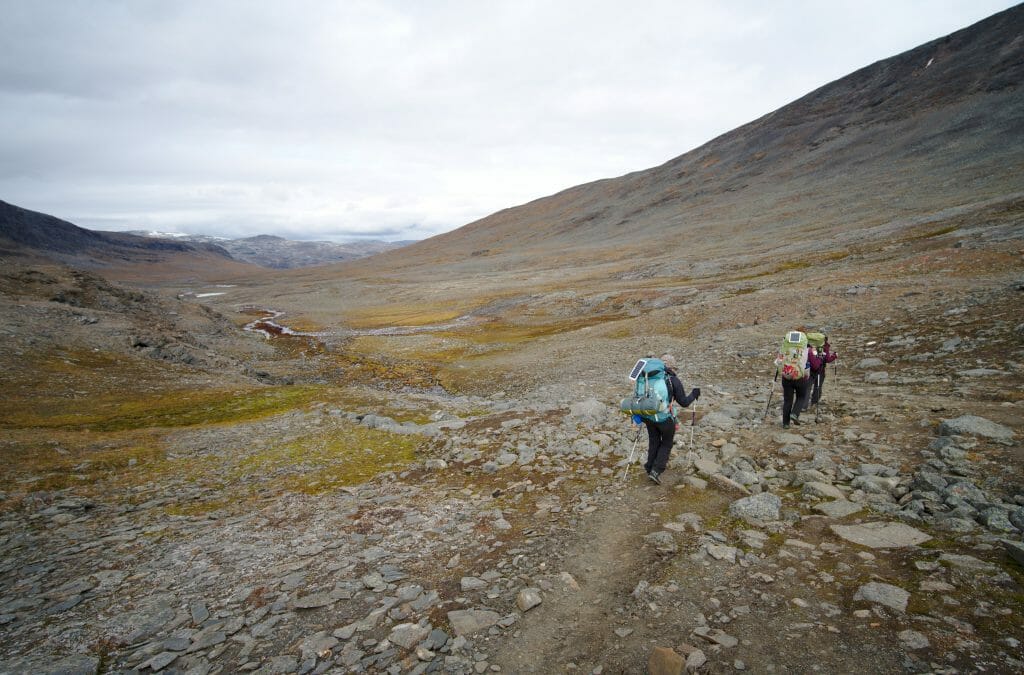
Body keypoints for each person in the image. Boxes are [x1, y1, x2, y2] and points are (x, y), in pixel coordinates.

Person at [642, 353, 700, 484]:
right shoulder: (673, 379)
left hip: (649, 415)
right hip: (664, 417)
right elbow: (684, 402)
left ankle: (649, 467)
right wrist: (694, 394)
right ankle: (656, 470)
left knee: (654, 440)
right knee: (667, 443)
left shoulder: (649, 377)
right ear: (672, 367)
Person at [775, 333, 810, 429]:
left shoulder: (784, 348)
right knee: (801, 397)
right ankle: (794, 413)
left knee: (787, 400)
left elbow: (778, 362)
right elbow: (811, 363)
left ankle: (785, 424)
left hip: (786, 377)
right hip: (800, 378)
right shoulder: (806, 350)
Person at [806, 337, 838, 411]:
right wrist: (834, 356)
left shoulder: (809, 345)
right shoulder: (825, 346)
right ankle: (814, 403)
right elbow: (827, 359)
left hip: (809, 369)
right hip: (820, 370)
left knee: (807, 387)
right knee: (818, 387)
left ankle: (803, 405)